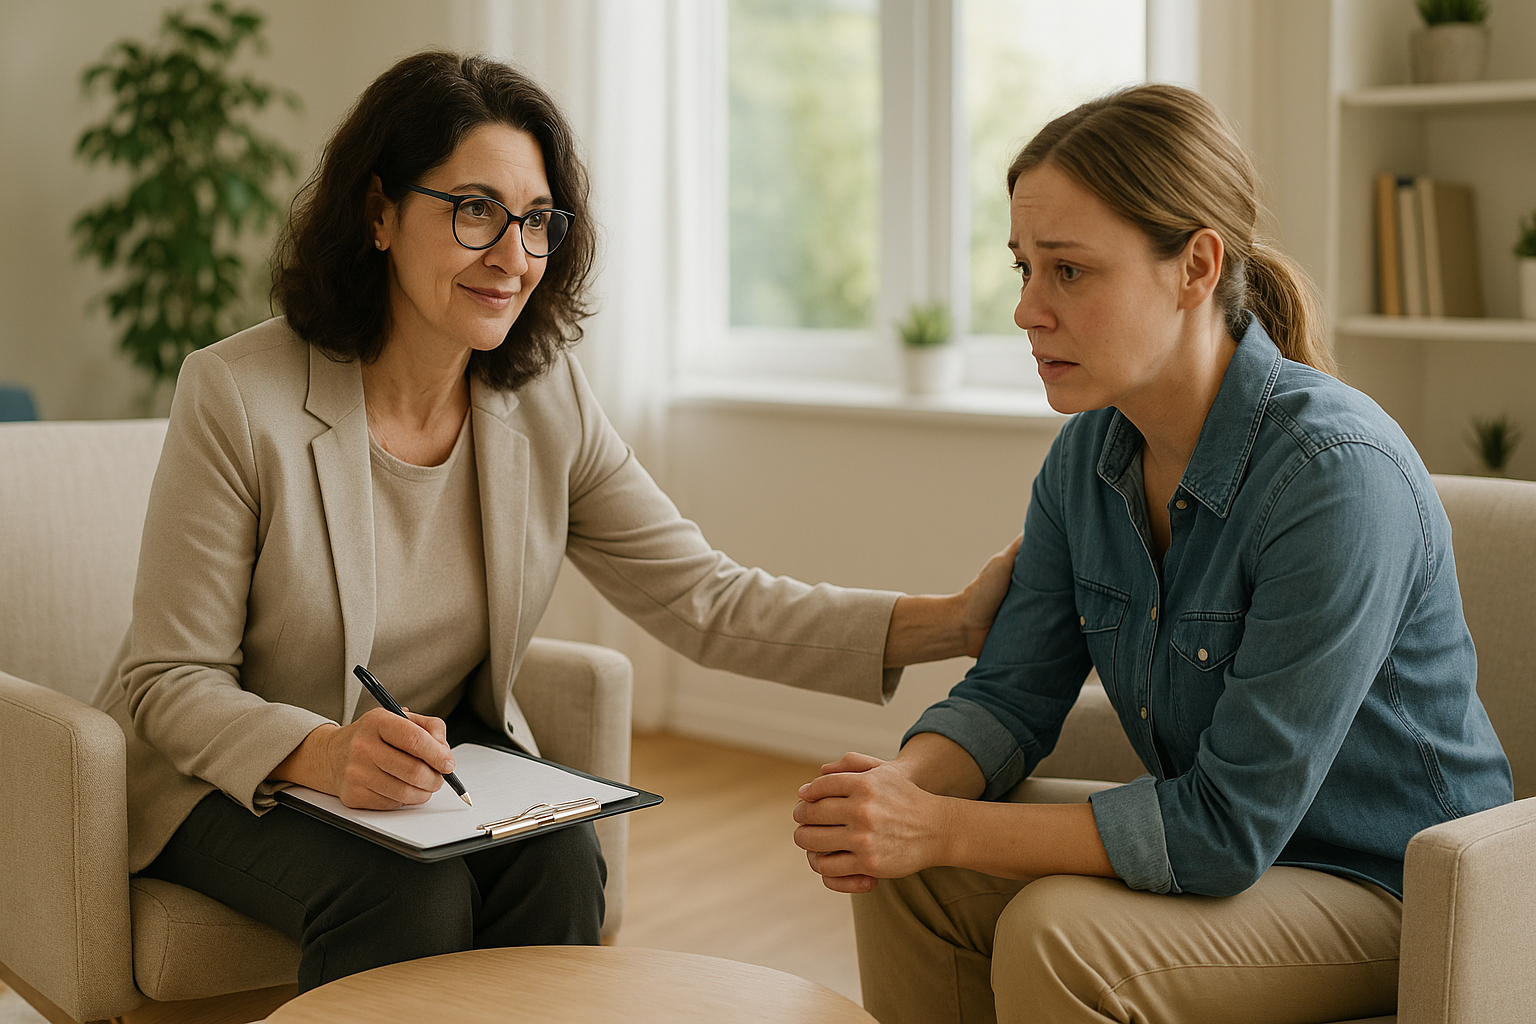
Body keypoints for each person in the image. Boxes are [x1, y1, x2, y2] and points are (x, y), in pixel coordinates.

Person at [92, 50, 1018, 994]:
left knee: (567, 862)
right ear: (377, 213)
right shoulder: (239, 396)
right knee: (406, 899)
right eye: (476, 210)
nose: (514, 256)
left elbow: (703, 597)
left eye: (537, 221)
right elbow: (169, 681)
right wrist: (325, 752)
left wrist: (952, 620)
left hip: (429, 774)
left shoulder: (542, 398)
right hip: (233, 777)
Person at [791, 83, 1513, 1024]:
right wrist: (894, 797)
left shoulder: (1338, 477)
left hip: (1392, 884)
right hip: (1241, 850)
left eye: (1070, 271)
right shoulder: (1087, 457)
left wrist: (939, 823)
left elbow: (1225, 830)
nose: (1027, 312)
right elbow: (1011, 695)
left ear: (1196, 267)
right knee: (910, 876)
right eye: (1023, 269)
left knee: (1055, 930)